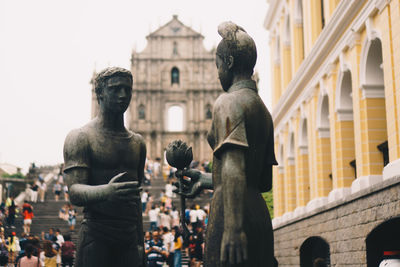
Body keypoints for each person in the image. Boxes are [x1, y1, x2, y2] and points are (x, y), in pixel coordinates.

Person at [175, 22, 277, 267]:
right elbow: (262, 181)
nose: (218, 72)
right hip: (258, 216)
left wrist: (232, 228)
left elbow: (232, 166)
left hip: (232, 217)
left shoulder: (227, 102)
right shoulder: (263, 111)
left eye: (218, 65)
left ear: (228, 63)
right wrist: (205, 179)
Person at [63, 67, 145, 267]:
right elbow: (74, 192)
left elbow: (135, 200)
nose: (123, 95)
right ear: (99, 93)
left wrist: (140, 242)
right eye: (116, 89)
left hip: (129, 238)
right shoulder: (81, 137)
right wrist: (106, 192)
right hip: (96, 235)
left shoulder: (137, 143)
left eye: (127, 89)